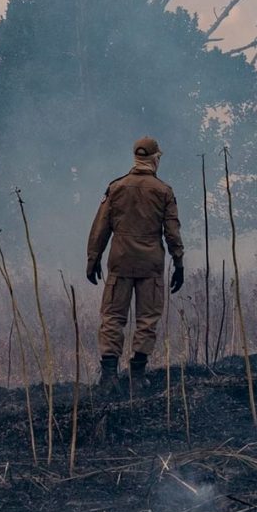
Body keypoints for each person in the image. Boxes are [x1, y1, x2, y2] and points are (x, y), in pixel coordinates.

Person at [86, 136, 184, 392]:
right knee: (147, 318)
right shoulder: (164, 191)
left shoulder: (116, 188)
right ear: (156, 158)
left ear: (135, 157)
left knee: (113, 316)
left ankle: (108, 377)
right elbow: (172, 232)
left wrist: (93, 258)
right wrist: (179, 262)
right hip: (150, 264)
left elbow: (100, 227)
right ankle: (137, 375)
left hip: (120, 261)